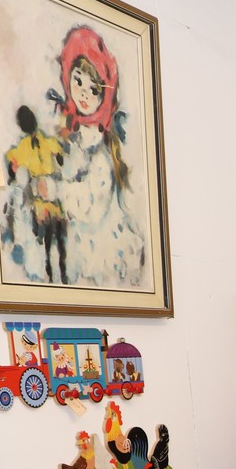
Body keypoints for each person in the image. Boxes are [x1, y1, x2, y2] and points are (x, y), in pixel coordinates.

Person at [48, 25, 147, 288]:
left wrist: (55, 190)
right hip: (77, 243)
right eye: (78, 80)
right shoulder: (70, 138)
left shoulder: (100, 151)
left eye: (94, 89)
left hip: (101, 248)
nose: (83, 92)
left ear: (104, 96)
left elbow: (90, 208)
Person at [3, 105, 68, 283]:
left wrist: (13, 173)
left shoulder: (26, 146)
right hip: (47, 192)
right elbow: (59, 154)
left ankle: (54, 273)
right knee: (56, 238)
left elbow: (13, 164)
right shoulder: (44, 141)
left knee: (50, 238)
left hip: (43, 193)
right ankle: (59, 272)